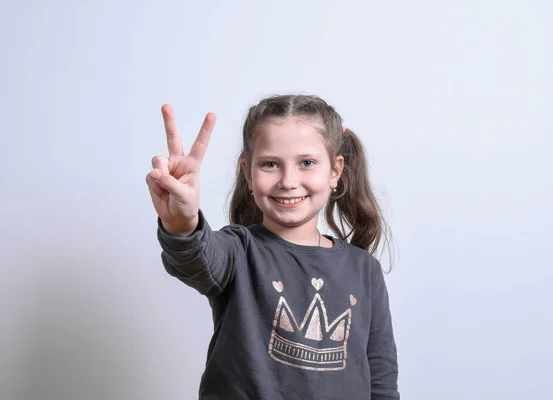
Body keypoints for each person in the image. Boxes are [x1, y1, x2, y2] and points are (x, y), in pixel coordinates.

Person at [146, 94, 400, 399]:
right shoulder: (237, 252)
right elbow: (195, 258)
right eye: (270, 164)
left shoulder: (364, 270)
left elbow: (381, 378)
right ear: (248, 173)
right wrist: (181, 223)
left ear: (335, 171)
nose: (288, 181)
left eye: (306, 163)